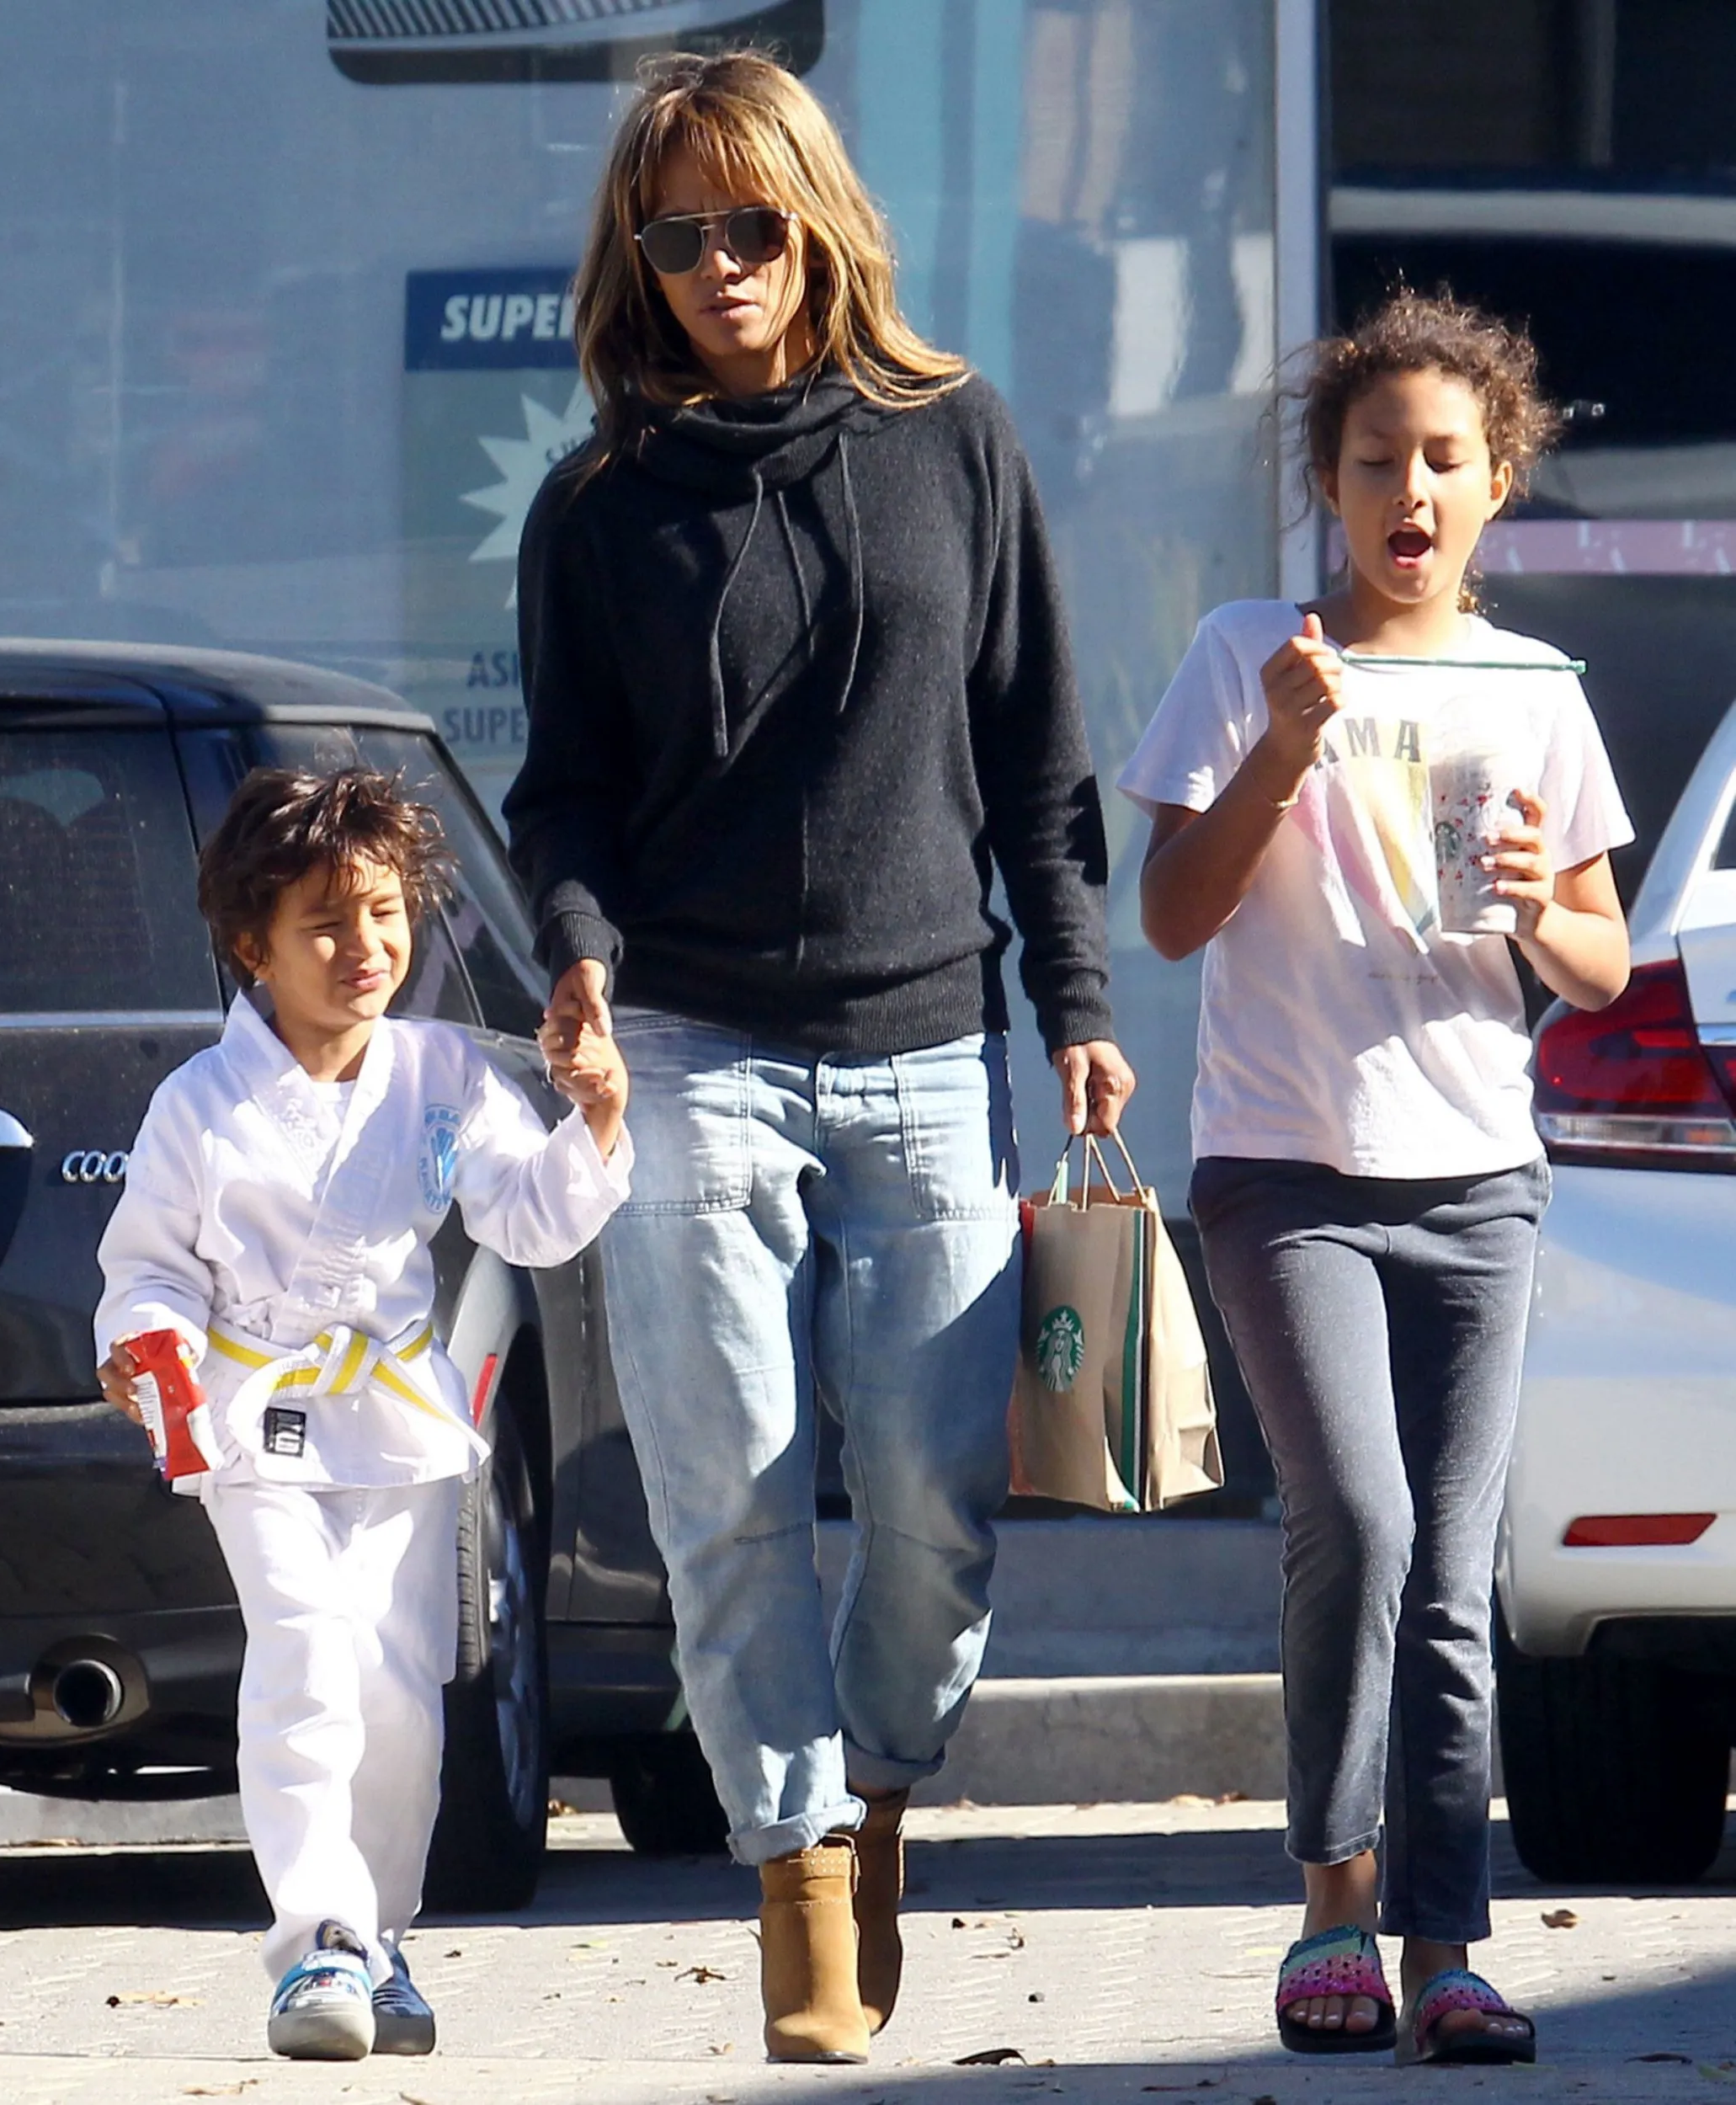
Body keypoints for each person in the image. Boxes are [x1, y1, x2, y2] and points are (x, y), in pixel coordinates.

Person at [505, 47, 1133, 2066]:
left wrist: (1083, 1007)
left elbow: (1037, 765)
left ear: (819, 222)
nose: (714, 266)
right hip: (686, 1042)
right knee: (727, 1490)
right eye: (672, 236)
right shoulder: (598, 505)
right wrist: (581, 959)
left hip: (926, 1042)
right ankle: (789, 1879)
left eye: (748, 225)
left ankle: (877, 1794)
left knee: (940, 1498)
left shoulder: (954, 441)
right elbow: (566, 792)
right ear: (640, 259)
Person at [1124, 291, 1632, 2067]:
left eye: (1444, 459)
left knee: (1454, 1560)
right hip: (1285, 1172)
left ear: (1496, 485)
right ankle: (1332, 1899)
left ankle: (1447, 1950)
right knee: (1363, 1512)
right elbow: (1172, 917)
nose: (1408, 488)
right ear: (1325, 489)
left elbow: (1600, 959)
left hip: (1480, 1179)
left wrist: (1532, 897)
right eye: (1373, 461)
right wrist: (1278, 746)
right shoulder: (1244, 651)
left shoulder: (1538, 691)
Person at [94, 768, 629, 2063]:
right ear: (250, 945)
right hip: (251, 1418)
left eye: (383, 913)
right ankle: (315, 1942)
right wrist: (144, 1345)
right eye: (324, 923)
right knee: (306, 1661)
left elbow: (530, 1216)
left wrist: (594, 1115)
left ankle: (379, 1938)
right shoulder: (199, 1107)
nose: (364, 947)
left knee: (398, 1697)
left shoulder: (441, 1074)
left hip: (393, 1418)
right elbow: (148, 1266)